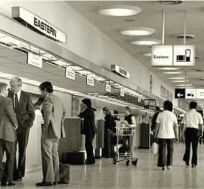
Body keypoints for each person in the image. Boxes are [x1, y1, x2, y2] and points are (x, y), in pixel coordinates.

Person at [36, 81, 66, 186]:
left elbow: (47, 113)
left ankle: (48, 180)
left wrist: (45, 126)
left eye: (41, 91)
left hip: (49, 131)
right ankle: (56, 178)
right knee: (54, 154)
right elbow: (64, 113)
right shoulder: (59, 98)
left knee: (46, 155)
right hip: (57, 132)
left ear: (45, 90)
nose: (41, 93)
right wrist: (58, 124)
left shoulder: (48, 98)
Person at [8, 77, 35, 181]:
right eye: (10, 85)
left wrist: (28, 125)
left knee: (22, 151)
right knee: (12, 151)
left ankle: (20, 173)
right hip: (11, 128)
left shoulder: (26, 96)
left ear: (19, 85)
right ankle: (13, 173)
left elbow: (32, 113)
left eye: (13, 85)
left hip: (24, 129)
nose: (11, 87)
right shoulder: (8, 95)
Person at [0, 82, 18, 186]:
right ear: (3, 89)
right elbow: (10, 113)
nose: (8, 91)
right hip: (7, 133)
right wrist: (15, 124)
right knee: (10, 156)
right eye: (7, 89)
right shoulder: (7, 100)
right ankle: (8, 180)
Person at [155, 100, 178, 170]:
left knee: (162, 150)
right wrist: (176, 136)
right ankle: (169, 165)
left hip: (161, 135)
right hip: (171, 135)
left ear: (164, 106)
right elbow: (175, 127)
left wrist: (155, 134)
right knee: (170, 150)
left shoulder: (160, 114)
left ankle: (164, 165)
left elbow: (157, 126)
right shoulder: (173, 115)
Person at [182, 101, 203, 168]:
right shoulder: (199, 114)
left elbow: (183, 124)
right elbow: (200, 125)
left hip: (188, 131)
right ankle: (194, 163)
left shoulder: (186, 114)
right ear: (196, 106)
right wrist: (200, 133)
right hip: (195, 131)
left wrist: (182, 133)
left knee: (187, 147)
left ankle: (187, 161)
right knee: (195, 148)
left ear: (189, 106)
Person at [79, 98, 96, 164]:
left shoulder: (89, 110)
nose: (81, 104)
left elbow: (81, 115)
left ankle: (91, 160)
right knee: (88, 145)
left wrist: (81, 110)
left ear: (85, 104)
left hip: (90, 130)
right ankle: (91, 159)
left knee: (88, 145)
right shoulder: (89, 109)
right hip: (90, 130)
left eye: (82, 103)